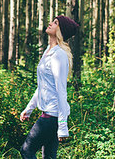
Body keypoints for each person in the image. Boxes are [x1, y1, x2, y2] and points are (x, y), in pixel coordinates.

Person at [19, 15, 79, 159]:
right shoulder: (48, 51)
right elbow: (42, 86)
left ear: (61, 30)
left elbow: (61, 91)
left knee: (26, 150)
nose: (50, 23)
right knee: (49, 157)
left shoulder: (59, 55)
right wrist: (29, 109)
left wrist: (63, 126)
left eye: (56, 23)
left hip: (52, 115)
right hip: (49, 113)